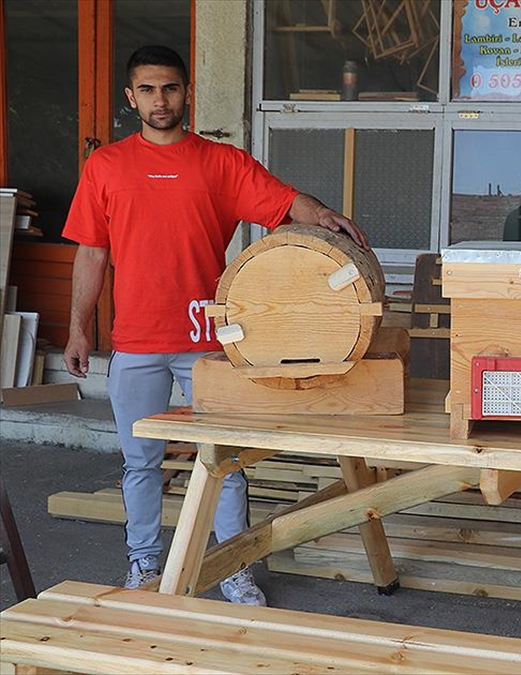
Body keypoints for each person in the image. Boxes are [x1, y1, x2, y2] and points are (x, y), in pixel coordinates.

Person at [62, 45, 368, 606]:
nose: (161, 100)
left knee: (223, 460)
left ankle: (234, 566)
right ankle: (143, 563)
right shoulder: (105, 167)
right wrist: (79, 327)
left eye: (171, 88)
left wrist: (322, 214)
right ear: (131, 98)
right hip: (135, 342)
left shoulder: (221, 164)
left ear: (186, 93)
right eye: (148, 90)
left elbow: (283, 201)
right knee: (140, 463)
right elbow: (91, 254)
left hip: (208, 340)